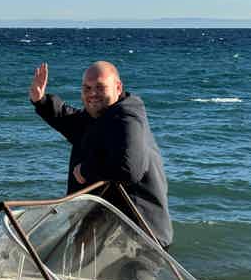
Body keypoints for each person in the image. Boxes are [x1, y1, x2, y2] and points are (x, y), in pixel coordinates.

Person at [29, 61, 173, 249]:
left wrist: (87, 170)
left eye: (100, 87)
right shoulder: (100, 117)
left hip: (138, 237)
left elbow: (129, 169)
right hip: (105, 232)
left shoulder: (126, 117)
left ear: (118, 87)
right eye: (87, 88)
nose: (92, 94)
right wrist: (41, 101)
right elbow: (71, 121)